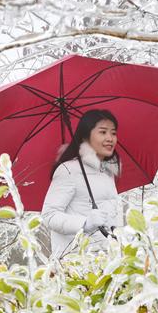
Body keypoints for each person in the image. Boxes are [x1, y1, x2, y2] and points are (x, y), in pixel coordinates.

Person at [42, 109, 123, 258]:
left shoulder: (108, 173)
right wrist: (84, 223)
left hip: (107, 260)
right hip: (77, 262)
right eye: (103, 132)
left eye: (113, 133)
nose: (110, 138)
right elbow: (49, 215)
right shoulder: (68, 170)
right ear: (86, 136)